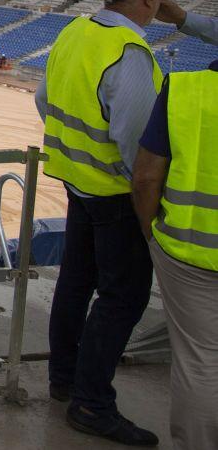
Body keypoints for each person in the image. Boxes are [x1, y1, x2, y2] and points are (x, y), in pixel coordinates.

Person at [36, 0, 171, 446]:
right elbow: (140, 155)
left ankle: (64, 380)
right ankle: (91, 403)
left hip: (77, 184)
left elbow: (43, 100)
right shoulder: (131, 56)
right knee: (123, 297)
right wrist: (148, 217)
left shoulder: (75, 32)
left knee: (75, 283)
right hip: (115, 196)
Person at [131, 55, 217, 449]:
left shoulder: (185, 89)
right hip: (191, 257)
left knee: (200, 364)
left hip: (190, 255)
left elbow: (147, 176)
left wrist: (152, 234)